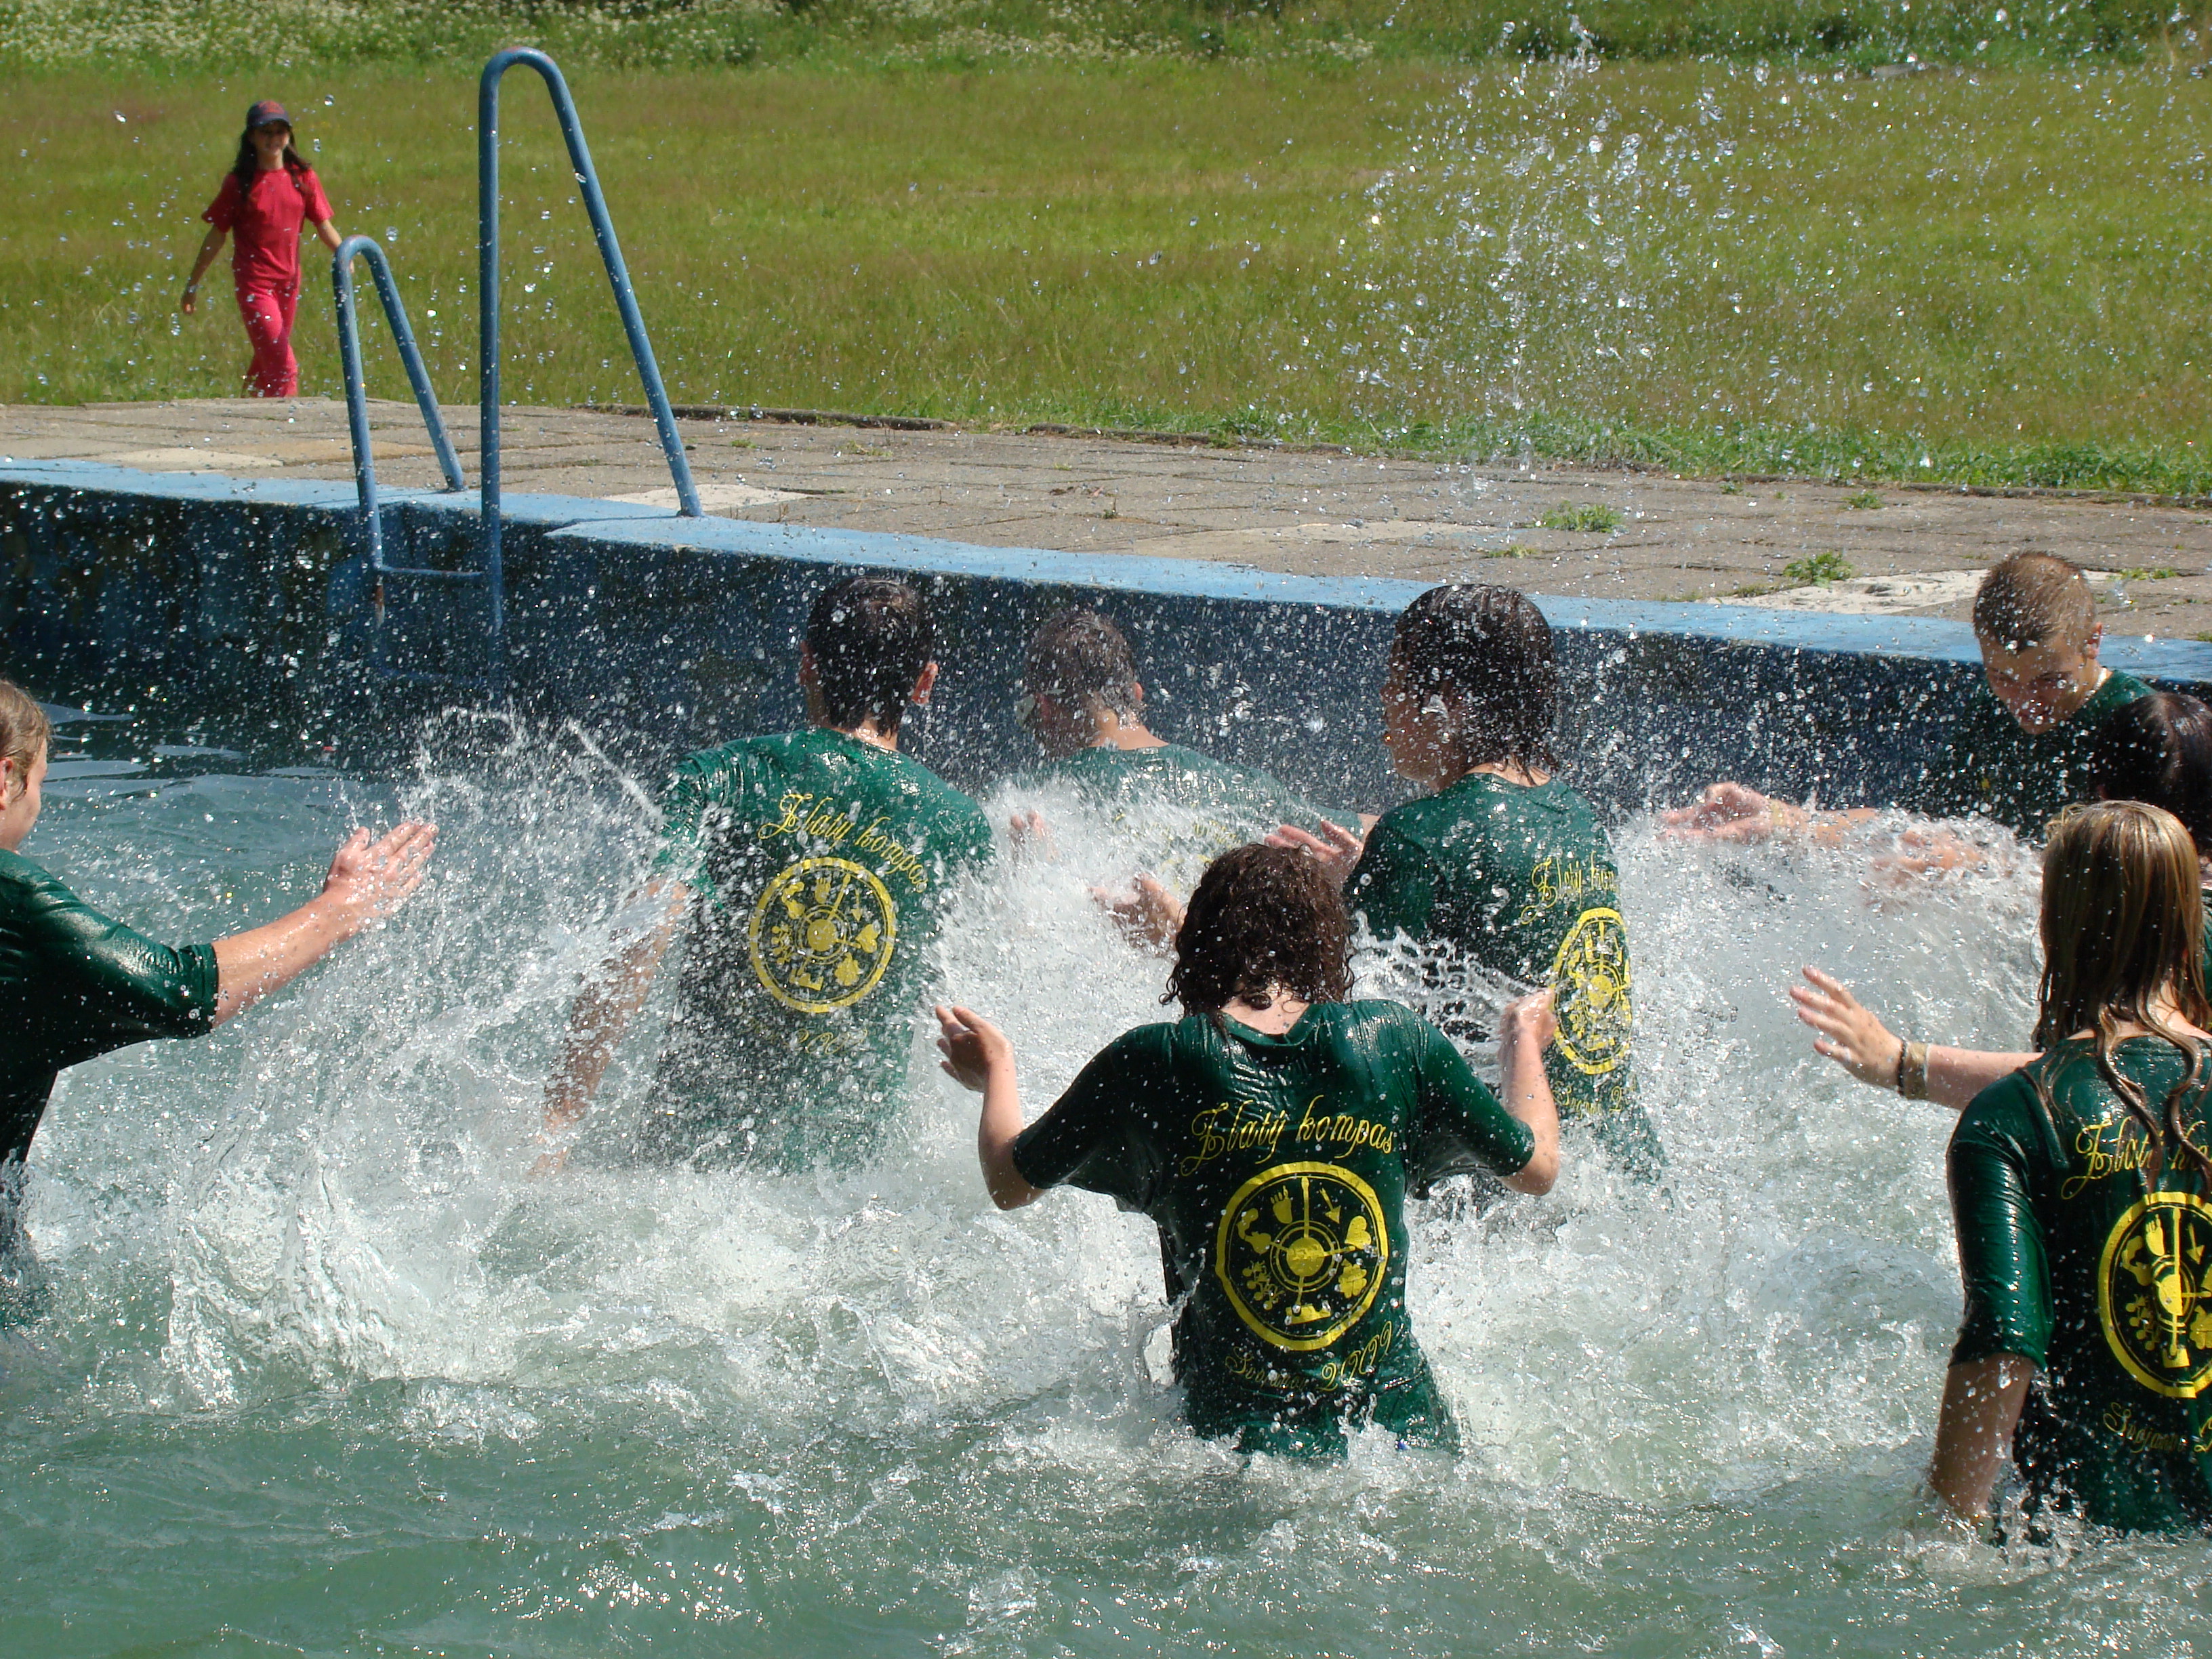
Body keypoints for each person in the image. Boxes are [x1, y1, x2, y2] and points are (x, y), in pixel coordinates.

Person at [935, 842, 1558, 1458]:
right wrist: (1522, 1042)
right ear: (1328, 945)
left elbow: (1009, 1183)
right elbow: (1538, 1168)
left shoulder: (1154, 1061)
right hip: (1404, 1442)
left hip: (1231, 1457)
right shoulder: (1396, 1042)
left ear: (1196, 949)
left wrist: (996, 1068)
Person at [541, 576, 993, 1172]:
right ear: (925, 683)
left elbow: (642, 932)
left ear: (807, 663)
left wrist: (557, 1123)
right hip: (856, 1183)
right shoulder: (958, 825)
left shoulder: (718, 777)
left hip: (683, 1166)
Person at [0, 680, 434, 1252]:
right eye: (40, 784)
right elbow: (181, 992)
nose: (38, 807)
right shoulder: (15, 898)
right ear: (6, 779)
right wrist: (340, 909)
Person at [1261, 584, 1658, 1177]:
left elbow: (1335, 1022)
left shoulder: (1421, 837)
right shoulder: (1578, 817)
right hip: (1615, 1161)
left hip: (1494, 1179)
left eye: (1395, 681)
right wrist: (1375, 872)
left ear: (1446, 703)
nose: (1384, 700)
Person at [1929, 800, 2212, 1532]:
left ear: (2055, 925)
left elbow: (2005, 1333)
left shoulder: (2012, 1116)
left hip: (2082, 1536)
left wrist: (1942, 1530)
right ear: (2191, 921)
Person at [1793, 693, 2212, 1113]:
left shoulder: (2142, 923)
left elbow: (2115, 1080)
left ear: (2100, 794)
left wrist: (1903, 1063)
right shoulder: (2156, 902)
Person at [1664, 552, 2152, 848]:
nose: (2025, 702)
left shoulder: (2142, 727)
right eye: (2002, 677)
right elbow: (1918, 823)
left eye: (2048, 680)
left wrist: (1980, 865)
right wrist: (1787, 821)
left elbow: (2155, 884)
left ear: (2093, 641)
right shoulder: (1992, 712)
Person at [1008, 607, 1351, 870]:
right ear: (1137, 695)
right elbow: (1365, 832)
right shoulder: (1247, 788)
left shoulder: (1033, 800)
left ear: (1045, 708)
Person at [180, 101, 342, 399]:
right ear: (252, 137)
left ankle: (245, 414)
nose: (274, 139)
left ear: (289, 135)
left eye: (280, 131)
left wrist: (344, 254)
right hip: (255, 286)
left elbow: (324, 225)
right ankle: (288, 421)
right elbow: (216, 235)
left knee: (266, 361)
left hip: (289, 283)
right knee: (284, 367)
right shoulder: (240, 183)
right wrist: (193, 284)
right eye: (266, 132)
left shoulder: (303, 177)